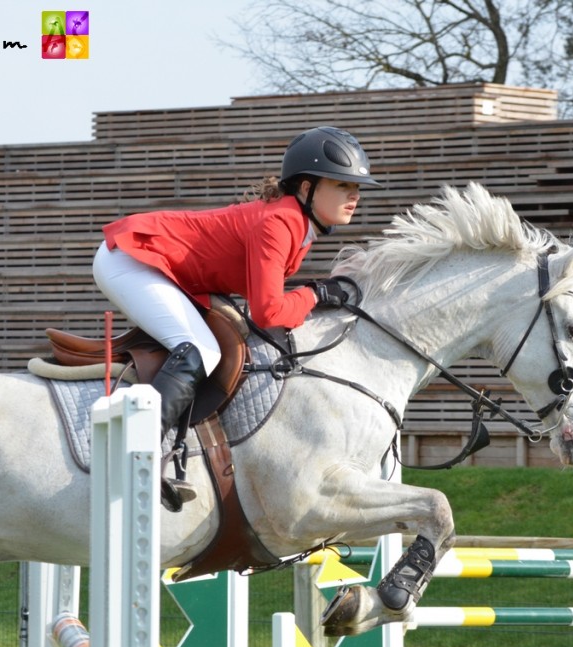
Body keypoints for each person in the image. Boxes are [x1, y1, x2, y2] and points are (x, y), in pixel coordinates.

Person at [92, 126, 380, 440]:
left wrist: (311, 294)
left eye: (357, 187)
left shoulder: (296, 224)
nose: (355, 195)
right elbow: (267, 312)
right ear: (307, 187)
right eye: (343, 185)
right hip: (132, 258)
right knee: (201, 351)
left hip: (157, 266)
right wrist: (314, 294)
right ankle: (136, 451)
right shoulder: (280, 222)